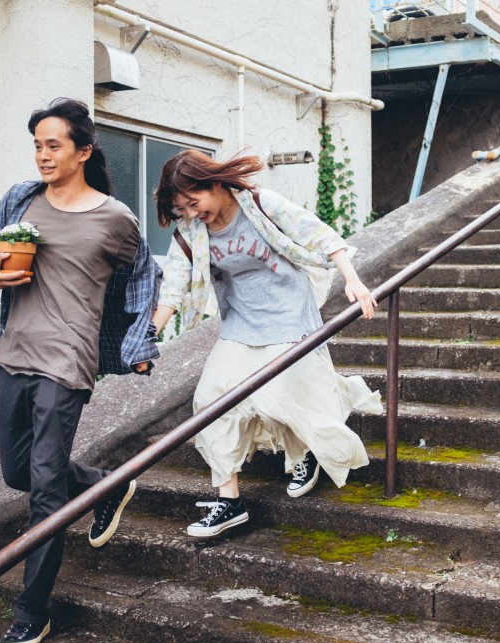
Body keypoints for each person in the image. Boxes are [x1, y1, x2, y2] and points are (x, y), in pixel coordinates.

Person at [0, 98, 161, 643]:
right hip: (13, 352)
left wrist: (135, 342)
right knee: (16, 472)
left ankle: (33, 613)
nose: (43, 155)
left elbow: (145, 277)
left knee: (46, 487)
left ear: (83, 151)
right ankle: (108, 483)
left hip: (68, 361)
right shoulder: (21, 200)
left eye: (53, 145)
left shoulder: (114, 218)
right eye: (37, 145)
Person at [147, 150, 382, 538]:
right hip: (242, 323)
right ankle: (229, 501)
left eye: (194, 202)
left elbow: (318, 233)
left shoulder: (259, 204)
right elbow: (173, 288)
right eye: (181, 209)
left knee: (282, 400)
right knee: (210, 401)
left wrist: (353, 281)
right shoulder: (190, 232)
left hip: (291, 314)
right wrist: (150, 334)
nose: (191, 213)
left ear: (216, 183)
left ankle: (306, 452)